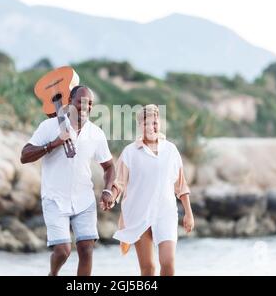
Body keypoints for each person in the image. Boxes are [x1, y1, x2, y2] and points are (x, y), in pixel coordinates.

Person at [20, 86, 116, 276]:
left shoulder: (96, 133)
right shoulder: (48, 126)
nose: (84, 106)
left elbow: (110, 167)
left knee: (86, 249)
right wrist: (54, 143)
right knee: (63, 251)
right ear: (70, 102)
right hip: (54, 199)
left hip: (84, 200)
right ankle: (52, 274)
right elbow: (24, 156)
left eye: (89, 103)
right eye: (80, 102)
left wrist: (108, 191)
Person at [108, 104, 194, 276]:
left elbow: (181, 185)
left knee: (168, 262)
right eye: (148, 123)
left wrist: (188, 213)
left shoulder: (171, 150)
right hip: (139, 214)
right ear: (140, 126)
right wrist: (111, 197)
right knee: (148, 268)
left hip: (166, 212)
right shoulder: (130, 152)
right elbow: (119, 182)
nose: (152, 127)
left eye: (155, 122)